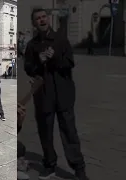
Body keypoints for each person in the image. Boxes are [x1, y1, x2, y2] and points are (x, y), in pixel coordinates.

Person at [24, 8, 88, 180]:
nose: (42, 20)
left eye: (44, 17)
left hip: (63, 93)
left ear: (49, 19)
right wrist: (39, 60)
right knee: (45, 132)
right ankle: (49, 164)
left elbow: (70, 63)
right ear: (34, 23)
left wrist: (54, 58)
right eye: (38, 18)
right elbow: (28, 68)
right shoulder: (31, 45)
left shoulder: (61, 40)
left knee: (69, 132)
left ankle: (78, 167)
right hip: (43, 96)